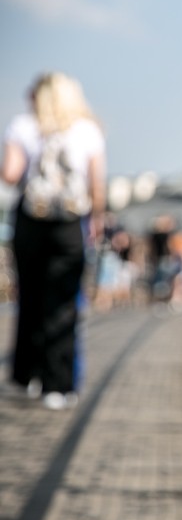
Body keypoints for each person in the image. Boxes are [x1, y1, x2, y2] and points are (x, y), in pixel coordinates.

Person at [0, 72, 106, 410]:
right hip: (69, 222)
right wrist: (97, 218)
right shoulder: (87, 130)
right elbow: (96, 185)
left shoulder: (23, 127)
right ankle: (58, 385)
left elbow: (11, 174)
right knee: (62, 302)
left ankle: (25, 376)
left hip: (32, 220)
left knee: (29, 298)